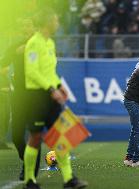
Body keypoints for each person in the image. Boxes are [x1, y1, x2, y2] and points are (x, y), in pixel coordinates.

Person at [23, 8, 87, 189]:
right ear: (47, 22)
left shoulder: (50, 43)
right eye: (55, 20)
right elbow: (32, 72)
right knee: (35, 137)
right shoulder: (33, 43)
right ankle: (29, 180)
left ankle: (69, 180)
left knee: (60, 138)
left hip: (50, 94)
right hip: (36, 97)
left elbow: (49, 72)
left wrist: (60, 86)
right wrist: (51, 89)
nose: (58, 23)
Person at [0, 18, 42, 181]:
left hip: (35, 95)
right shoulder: (15, 46)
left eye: (28, 25)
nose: (25, 29)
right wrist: (15, 53)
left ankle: (30, 171)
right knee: (17, 136)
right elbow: (3, 62)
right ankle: (26, 161)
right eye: (22, 26)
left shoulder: (40, 45)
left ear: (34, 27)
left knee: (34, 134)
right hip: (18, 96)